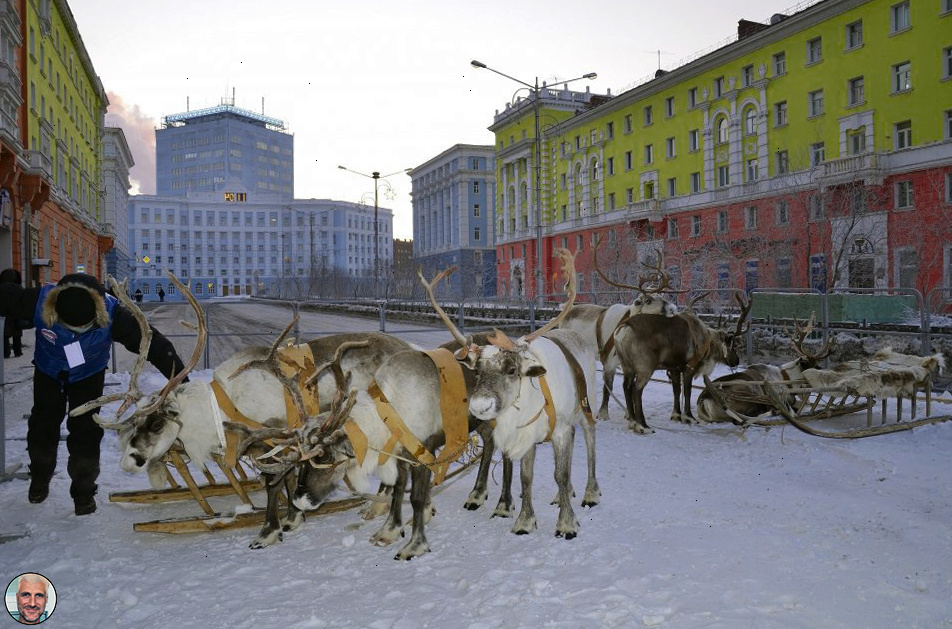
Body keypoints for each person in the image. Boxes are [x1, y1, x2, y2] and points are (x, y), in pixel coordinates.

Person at [0, 273, 186, 515]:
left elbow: (153, 344)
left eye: (85, 328)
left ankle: (83, 491)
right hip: (48, 372)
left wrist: (180, 379)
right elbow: (5, 295)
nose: (77, 332)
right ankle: (40, 477)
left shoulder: (113, 314)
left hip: (88, 375)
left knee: (86, 431)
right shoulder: (37, 300)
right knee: (42, 426)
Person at [1, 268, 25, 358]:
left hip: (3, 313)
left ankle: (5, 353)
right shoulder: (19, 288)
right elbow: (23, 301)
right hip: (16, 313)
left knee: (4, 335)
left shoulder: (1, 288)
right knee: (17, 334)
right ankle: (17, 351)